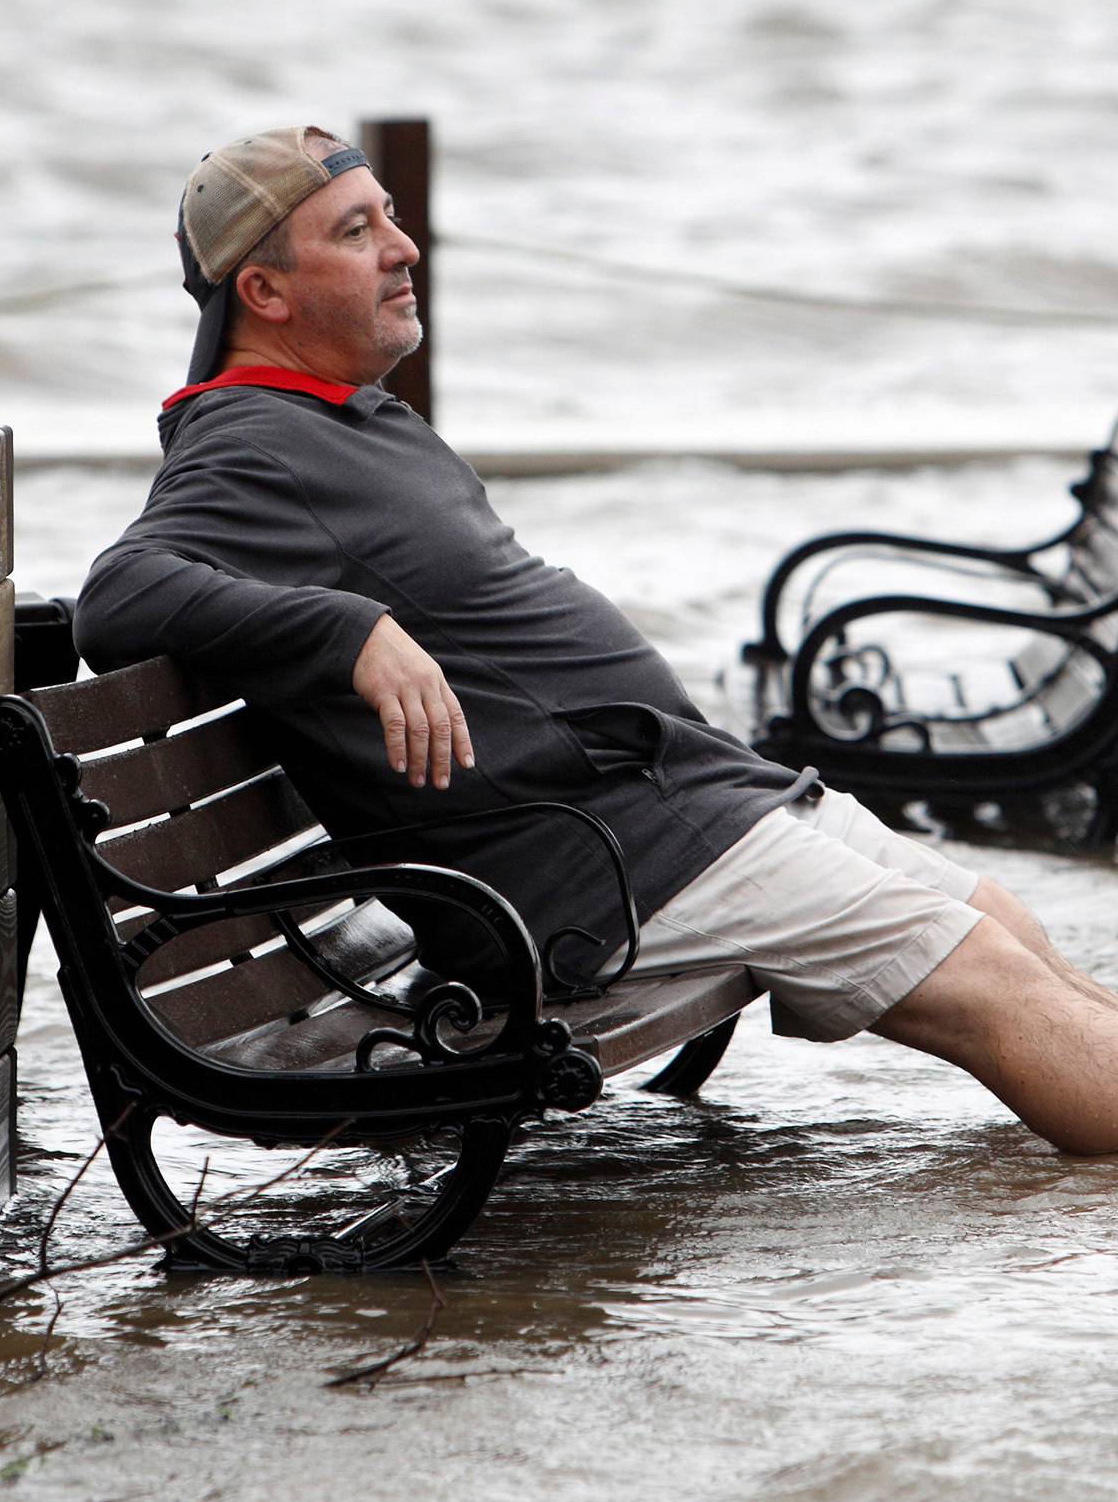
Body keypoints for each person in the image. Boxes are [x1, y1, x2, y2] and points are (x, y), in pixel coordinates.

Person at [75, 124, 1118, 1156]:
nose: (404, 247)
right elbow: (115, 595)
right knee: (989, 980)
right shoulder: (248, 441)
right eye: (358, 230)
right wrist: (351, 630)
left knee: (999, 917)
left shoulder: (340, 418)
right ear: (264, 293)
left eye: (391, 217)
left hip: (673, 801)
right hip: (599, 865)